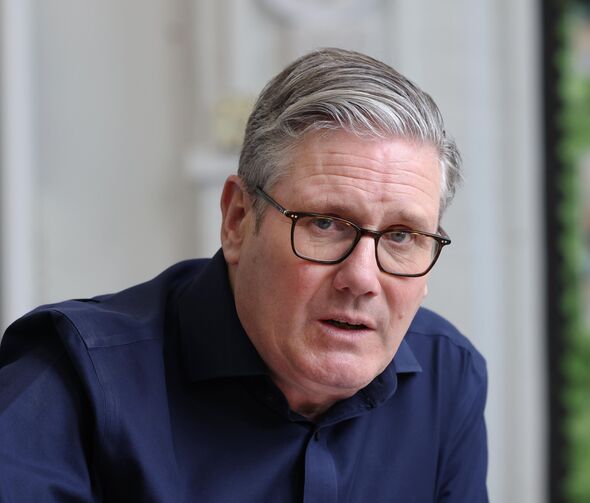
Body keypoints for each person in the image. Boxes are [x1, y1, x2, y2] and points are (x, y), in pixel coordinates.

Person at [0, 48, 487, 502]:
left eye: (401, 236)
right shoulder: (74, 377)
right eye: (324, 223)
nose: (361, 279)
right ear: (237, 220)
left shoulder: (448, 376)